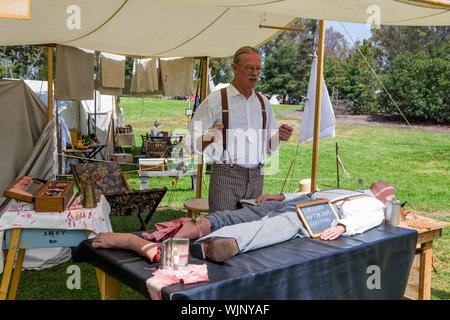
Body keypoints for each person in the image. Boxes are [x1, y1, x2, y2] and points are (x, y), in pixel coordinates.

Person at [92, 181, 395, 263]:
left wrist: (344, 227)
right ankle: (197, 229)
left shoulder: (374, 205)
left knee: (258, 230)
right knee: (230, 215)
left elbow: (370, 218)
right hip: (300, 203)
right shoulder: (350, 189)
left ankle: (148, 246)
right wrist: (280, 195)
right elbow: (313, 192)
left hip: (312, 219)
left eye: (385, 187)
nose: (380, 185)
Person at [187, 46, 293, 213]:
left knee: (248, 231)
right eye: (249, 68)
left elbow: (270, 148)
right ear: (235, 68)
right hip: (225, 177)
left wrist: (278, 136)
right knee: (222, 231)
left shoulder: (263, 103)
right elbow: (191, 143)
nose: (255, 73)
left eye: (258, 68)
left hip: (256, 177)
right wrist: (209, 136)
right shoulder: (216, 100)